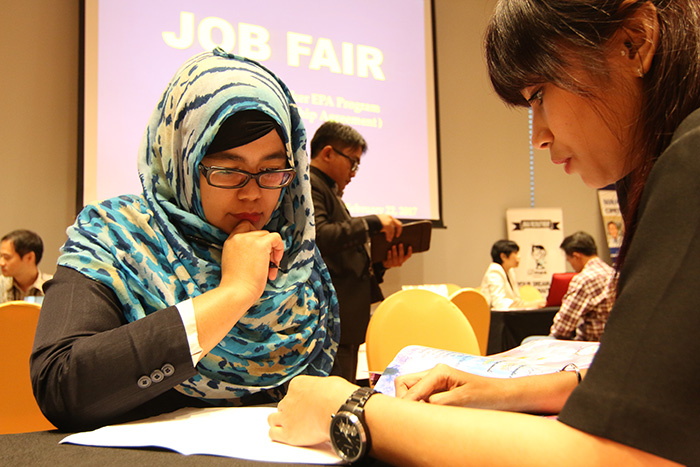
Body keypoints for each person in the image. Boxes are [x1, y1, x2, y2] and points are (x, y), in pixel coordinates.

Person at [268, 0, 700, 464]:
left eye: (538, 95)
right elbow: (662, 391)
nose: (538, 136)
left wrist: (350, 409)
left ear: (634, 43)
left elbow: (621, 454)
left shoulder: (689, 161)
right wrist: (505, 390)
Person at [30, 49, 339, 432]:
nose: (253, 194)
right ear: (182, 161)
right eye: (228, 170)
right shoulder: (116, 237)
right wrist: (232, 294)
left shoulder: (292, 255)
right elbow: (61, 384)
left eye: (272, 170)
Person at [309, 121, 412, 383]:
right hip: (330, 319)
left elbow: (341, 257)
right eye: (352, 162)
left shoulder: (331, 192)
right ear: (328, 153)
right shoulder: (311, 184)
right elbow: (321, 236)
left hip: (346, 319)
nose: (354, 172)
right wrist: (373, 222)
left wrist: (382, 265)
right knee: (334, 395)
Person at [550, 231, 615, 341]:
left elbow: (562, 328)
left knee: (530, 341)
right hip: (611, 341)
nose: (572, 265)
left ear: (576, 256)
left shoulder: (584, 279)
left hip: (588, 344)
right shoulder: (612, 273)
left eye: (569, 260)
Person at [479, 239, 542, 309]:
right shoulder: (494, 271)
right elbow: (498, 303)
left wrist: (536, 303)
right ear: (503, 256)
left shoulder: (510, 271)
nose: (519, 257)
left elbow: (517, 300)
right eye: (515, 253)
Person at [0, 229, 52, 303]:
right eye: (1, 256)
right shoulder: (1, 285)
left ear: (29, 258)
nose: (1, 263)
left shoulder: (53, 287)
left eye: (7, 257)